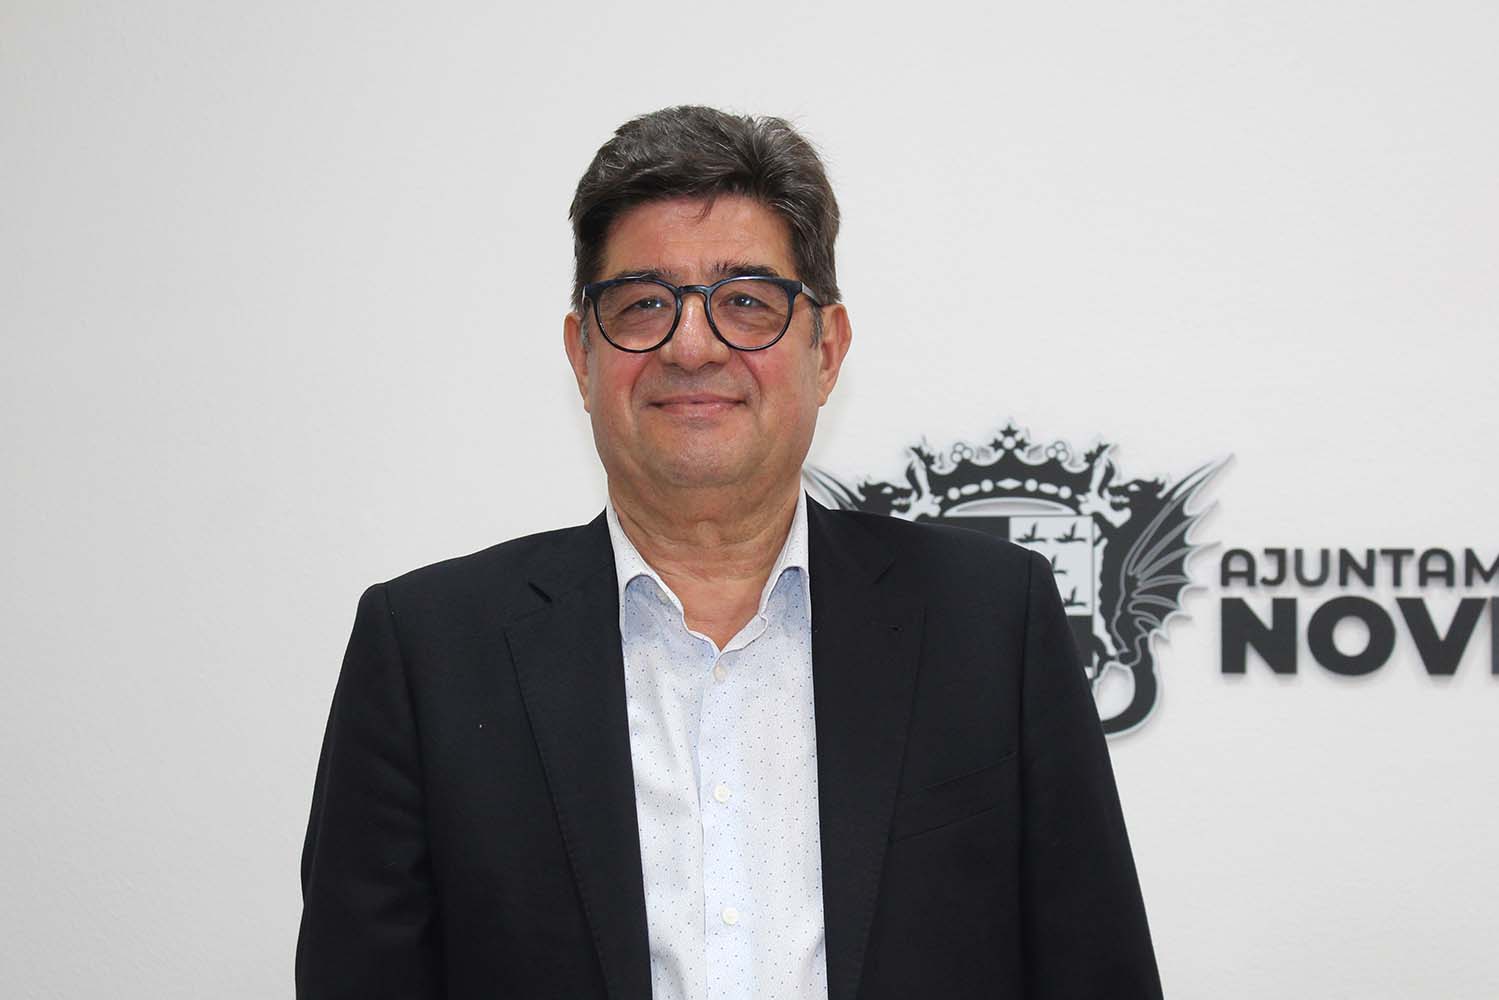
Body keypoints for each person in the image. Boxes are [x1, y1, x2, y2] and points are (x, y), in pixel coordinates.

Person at [296, 105, 1163, 1000]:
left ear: (826, 350)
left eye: (745, 301)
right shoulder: (429, 650)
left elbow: (1095, 972)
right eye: (642, 304)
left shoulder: (991, 620)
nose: (691, 345)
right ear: (581, 354)